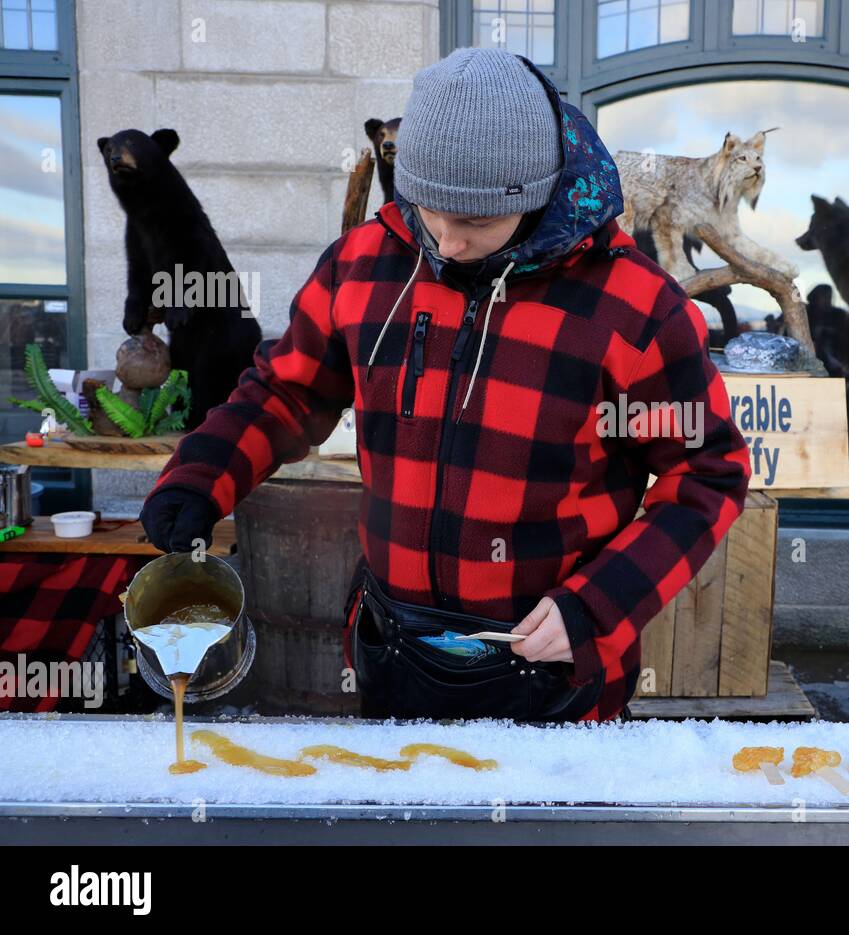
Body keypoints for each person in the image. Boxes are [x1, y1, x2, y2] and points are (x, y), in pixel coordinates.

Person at [138, 48, 752, 723]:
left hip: (554, 672)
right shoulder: (365, 266)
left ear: (539, 192)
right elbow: (287, 390)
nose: (449, 243)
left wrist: (597, 605)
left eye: (478, 222)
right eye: (432, 211)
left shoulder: (635, 308)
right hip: (394, 649)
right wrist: (203, 473)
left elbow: (706, 476)